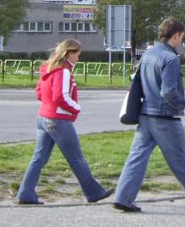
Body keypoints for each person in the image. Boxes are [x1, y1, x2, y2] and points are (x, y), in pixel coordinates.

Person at [113, 17, 185, 212]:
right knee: (181, 160)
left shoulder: (148, 54)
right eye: (182, 37)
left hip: (145, 115)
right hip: (165, 117)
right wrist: (181, 104)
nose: (182, 41)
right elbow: (168, 91)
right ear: (176, 35)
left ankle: (123, 198)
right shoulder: (171, 59)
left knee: (136, 157)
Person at [17, 38, 113, 205]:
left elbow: (39, 93)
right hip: (58, 120)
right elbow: (61, 97)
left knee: (39, 158)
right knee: (76, 158)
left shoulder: (48, 68)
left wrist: (50, 106)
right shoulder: (64, 71)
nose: (78, 58)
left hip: (43, 117)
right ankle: (94, 192)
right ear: (69, 53)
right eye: (77, 54)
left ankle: (25, 194)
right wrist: (77, 108)